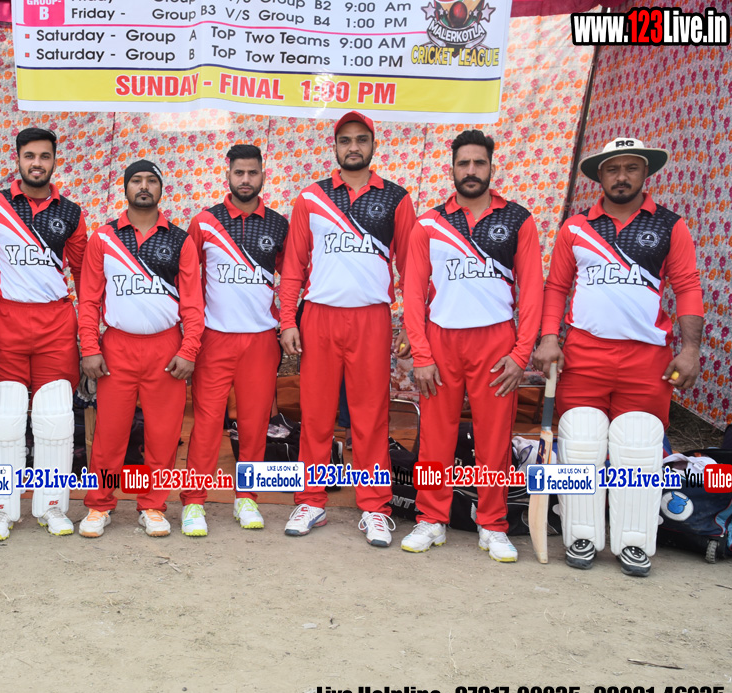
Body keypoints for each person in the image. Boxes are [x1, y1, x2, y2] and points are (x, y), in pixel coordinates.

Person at [533, 137, 703, 577]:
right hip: (585, 353)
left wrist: (690, 349)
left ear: (646, 173)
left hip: (647, 359)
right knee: (581, 441)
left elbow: (687, 286)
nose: (622, 176)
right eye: (613, 169)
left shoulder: (670, 226)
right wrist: (549, 338)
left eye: (631, 168)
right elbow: (556, 287)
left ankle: (634, 542)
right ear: (600, 176)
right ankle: (581, 535)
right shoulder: (575, 228)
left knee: (639, 447)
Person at [401, 129, 543, 562]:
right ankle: (431, 518)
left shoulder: (518, 220)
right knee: (435, 439)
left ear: (491, 167)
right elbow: (413, 294)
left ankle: (493, 524)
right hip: (441, 342)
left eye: (479, 162)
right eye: (463, 163)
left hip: (495, 342)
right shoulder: (429, 223)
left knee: (494, 440)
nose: (471, 170)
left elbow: (532, 292)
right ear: (452, 169)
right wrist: (421, 354)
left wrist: (521, 354)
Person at [279, 112, 416, 545]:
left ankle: (375, 507)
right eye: (345, 140)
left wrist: (412, 325)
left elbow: (412, 269)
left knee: (370, 416)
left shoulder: (397, 199)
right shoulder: (311, 197)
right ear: (335, 146)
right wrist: (288, 320)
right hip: (319, 316)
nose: (353, 147)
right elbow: (292, 267)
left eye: (361, 139)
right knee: (316, 415)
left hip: (371, 318)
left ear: (373, 145)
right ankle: (311, 501)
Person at [0, 127, 87, 540]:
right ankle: (0, 511)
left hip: (55, 324)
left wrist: (91, 335)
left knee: (56, 420)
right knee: (3, 421)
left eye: (44, 156)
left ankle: (52, 508)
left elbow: (86, 275)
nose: (37, 163)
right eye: (30, 156)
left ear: (54, 161)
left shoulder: (72, 213)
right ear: (17, 159)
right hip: (6, 323)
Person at [77, 160, 204, 538]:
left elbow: (193, 305)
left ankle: (153, 505)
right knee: (109, 435)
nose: (144, 186)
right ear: (125, 187)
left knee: (163, 436)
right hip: (117, 347)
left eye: (151, 181)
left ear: (161, 189)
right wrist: (89, 347)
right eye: (137, 180)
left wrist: (189, 350)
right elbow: (89, 300)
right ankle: (99, 504)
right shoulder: (104, 238)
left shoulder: (180, 240)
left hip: (166, 348)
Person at [183, 144, 289, 535]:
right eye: (239, 173)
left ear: (263, 175)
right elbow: (186, 278)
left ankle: (247, 499)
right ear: (227, 174)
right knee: (207, 423)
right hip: (214, 339)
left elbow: (293, 278)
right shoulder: (204, 222)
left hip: (260, 341)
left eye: (252, 173)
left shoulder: (278, 224)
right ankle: (194, 501)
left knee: (255, 424)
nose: (246, 180)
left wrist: (286, 322)